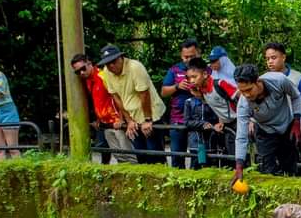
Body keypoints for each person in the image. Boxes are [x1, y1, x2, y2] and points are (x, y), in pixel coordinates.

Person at [231, 63, 301, 181]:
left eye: (249, 89)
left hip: (287, 126)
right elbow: (241, 136)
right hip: (265, 131)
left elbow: (296, 96)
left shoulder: (279, 80)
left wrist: (296, 121)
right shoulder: (243, 104)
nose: (246, 95)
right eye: (242, 91)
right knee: (267, 171)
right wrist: (239, 165)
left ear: (258, 81)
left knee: (290, 168)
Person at [97, 45, 166, 165]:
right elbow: (116, 97)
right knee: (140, 154)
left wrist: (147, 120)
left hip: (151, 114)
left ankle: (161, 179)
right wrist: (129, 120)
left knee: (154, 154)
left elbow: (144, 94)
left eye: (113, 61)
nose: (111, 66)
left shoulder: (135, 67)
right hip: (133, 117)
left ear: (121, 58)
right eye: (108, 63)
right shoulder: (107, 72)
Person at [264, 42, 301, 173]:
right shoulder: (264, 79)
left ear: (284, 57)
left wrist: (298, 114)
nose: (270, 62)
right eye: (267, 58)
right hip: (273, 127)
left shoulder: (298, 77)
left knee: (297, 162)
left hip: (295, 126)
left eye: (273, 58)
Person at [184, 57, 237, 168]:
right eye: (189, 78)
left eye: (194, 77)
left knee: (238, 158)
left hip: (238, 122)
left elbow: (242, 97)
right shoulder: (201, 91)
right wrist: (221, 120)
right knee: (230, 160)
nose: (191, 81)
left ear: (204, 74)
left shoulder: (220, 84)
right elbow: (218, 105)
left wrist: (250, 120)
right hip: (227, 125)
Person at [71, 53, 119, 164]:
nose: (81, 73)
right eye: (78, 72)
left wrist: (121, 118)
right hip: (103, 122)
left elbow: (117, 97)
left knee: (123, 153)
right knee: (104, 150)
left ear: (89, 63)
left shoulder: (103, 76)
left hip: (115, 122)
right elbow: (98, 101)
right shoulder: (88, 80)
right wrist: (97, 118)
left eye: (83, 68)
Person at [161, 38, 201, 169]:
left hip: (198, 119)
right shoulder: (174, 70)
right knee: (177, 156)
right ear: (181, 55)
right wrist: (177, 87)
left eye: (192, 56)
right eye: (185, 57)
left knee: (198, 156)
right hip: (178, 119)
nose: (188, 59)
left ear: (198, 53)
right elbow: (164, 92)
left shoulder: (205, 69)